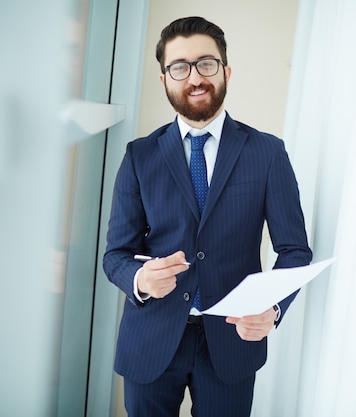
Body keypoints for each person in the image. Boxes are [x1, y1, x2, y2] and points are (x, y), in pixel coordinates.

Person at [103, 16, 312, 416]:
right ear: (164, 79)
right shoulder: (138, 157)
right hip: (150, 339)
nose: (195, 77)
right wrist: (140, 279)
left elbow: (294, 250)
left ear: (226, 71)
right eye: (179, 67)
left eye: (206, 63)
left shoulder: (268, 154)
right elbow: (116, 255)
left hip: (231, 345)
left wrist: (273, 308)